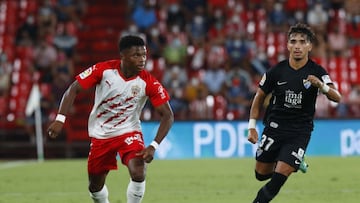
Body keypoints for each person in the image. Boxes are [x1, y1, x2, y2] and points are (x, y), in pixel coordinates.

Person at [47, 35, 174, 203]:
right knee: (95, 186)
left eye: (144, 55)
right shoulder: (104, 70)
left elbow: (168, 115)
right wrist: (60, 119)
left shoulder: (148, 82)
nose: (142, 59)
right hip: (101, 135)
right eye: (136, 55)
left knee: (138, 172)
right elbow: (73, 89)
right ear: (123, 55)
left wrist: (153, 145)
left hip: (129, 131)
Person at [247, 23, 341, 203]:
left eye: (302, 42)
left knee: (279, 178)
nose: (297, 45)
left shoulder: (317, 71)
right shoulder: (276, 71)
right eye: (293, 42)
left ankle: (290, 161)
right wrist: (251, 127)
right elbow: (258, 98)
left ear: (309, 46)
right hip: (274, 127)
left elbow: (337, 97)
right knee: (260, 174)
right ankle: (291, 159)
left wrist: (321, 86)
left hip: (300, 131)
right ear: (288, 45)